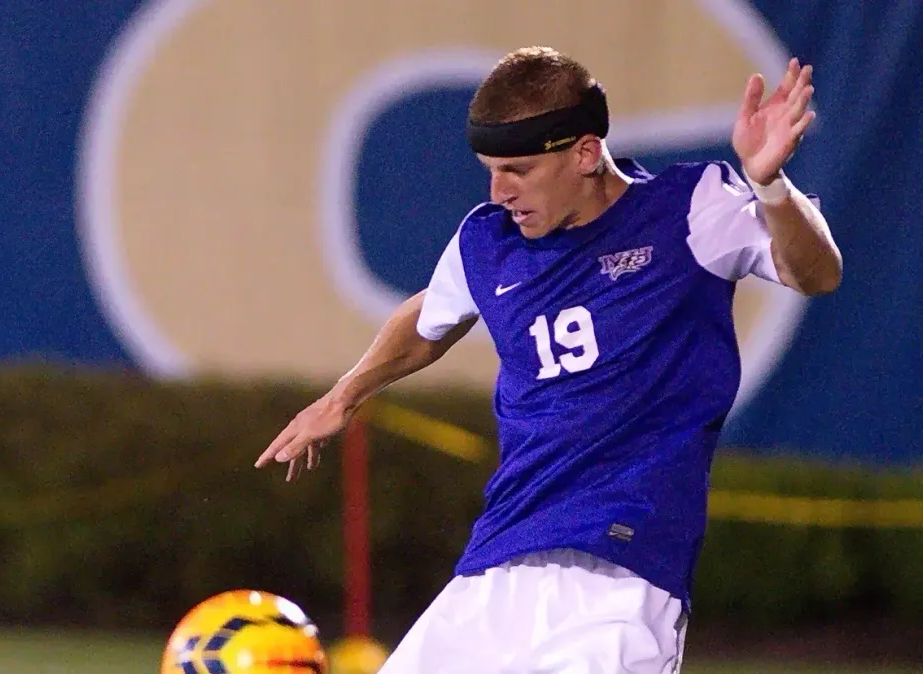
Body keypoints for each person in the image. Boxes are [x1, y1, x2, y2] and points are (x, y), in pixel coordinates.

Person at [254, 46, 841, 673]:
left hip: (623, 573)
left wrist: (770, 187)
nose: (499, 191)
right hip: (496, 566)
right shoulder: (486, 242)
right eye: (490, 169)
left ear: (585, 153)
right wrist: (342, 397)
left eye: (518, 170)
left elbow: (816, 273)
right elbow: (427, 322)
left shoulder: (688, 210)